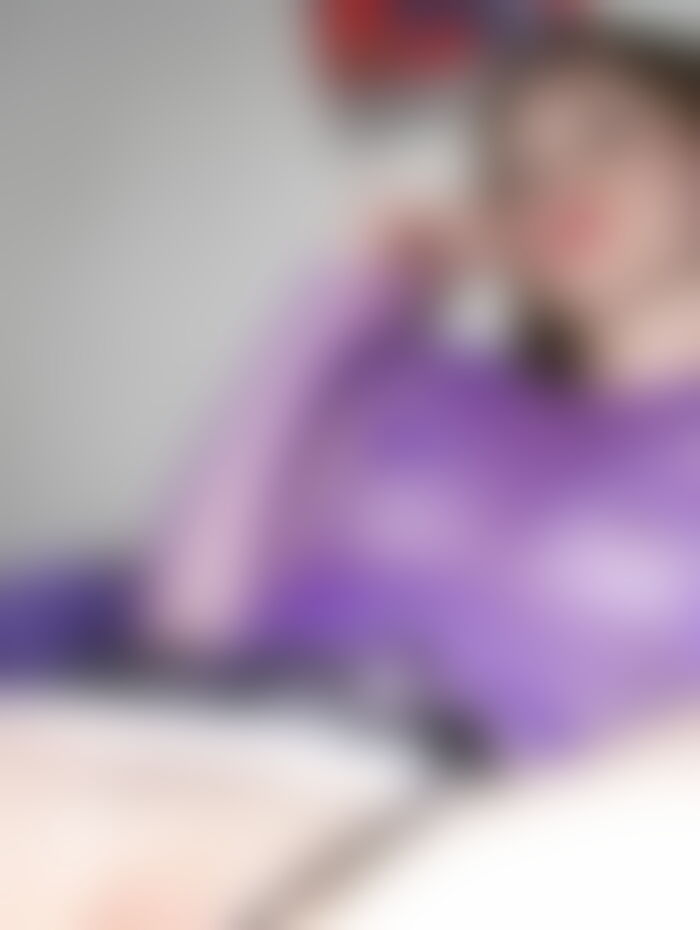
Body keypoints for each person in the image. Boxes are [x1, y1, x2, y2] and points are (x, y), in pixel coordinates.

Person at [3, 28, 699, 761]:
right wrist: (355, 293)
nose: (555, 184)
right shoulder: (423, 388)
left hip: (488, 798)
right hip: (215, 730)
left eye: (606, 137)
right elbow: (188, 621)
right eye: (514, 173)